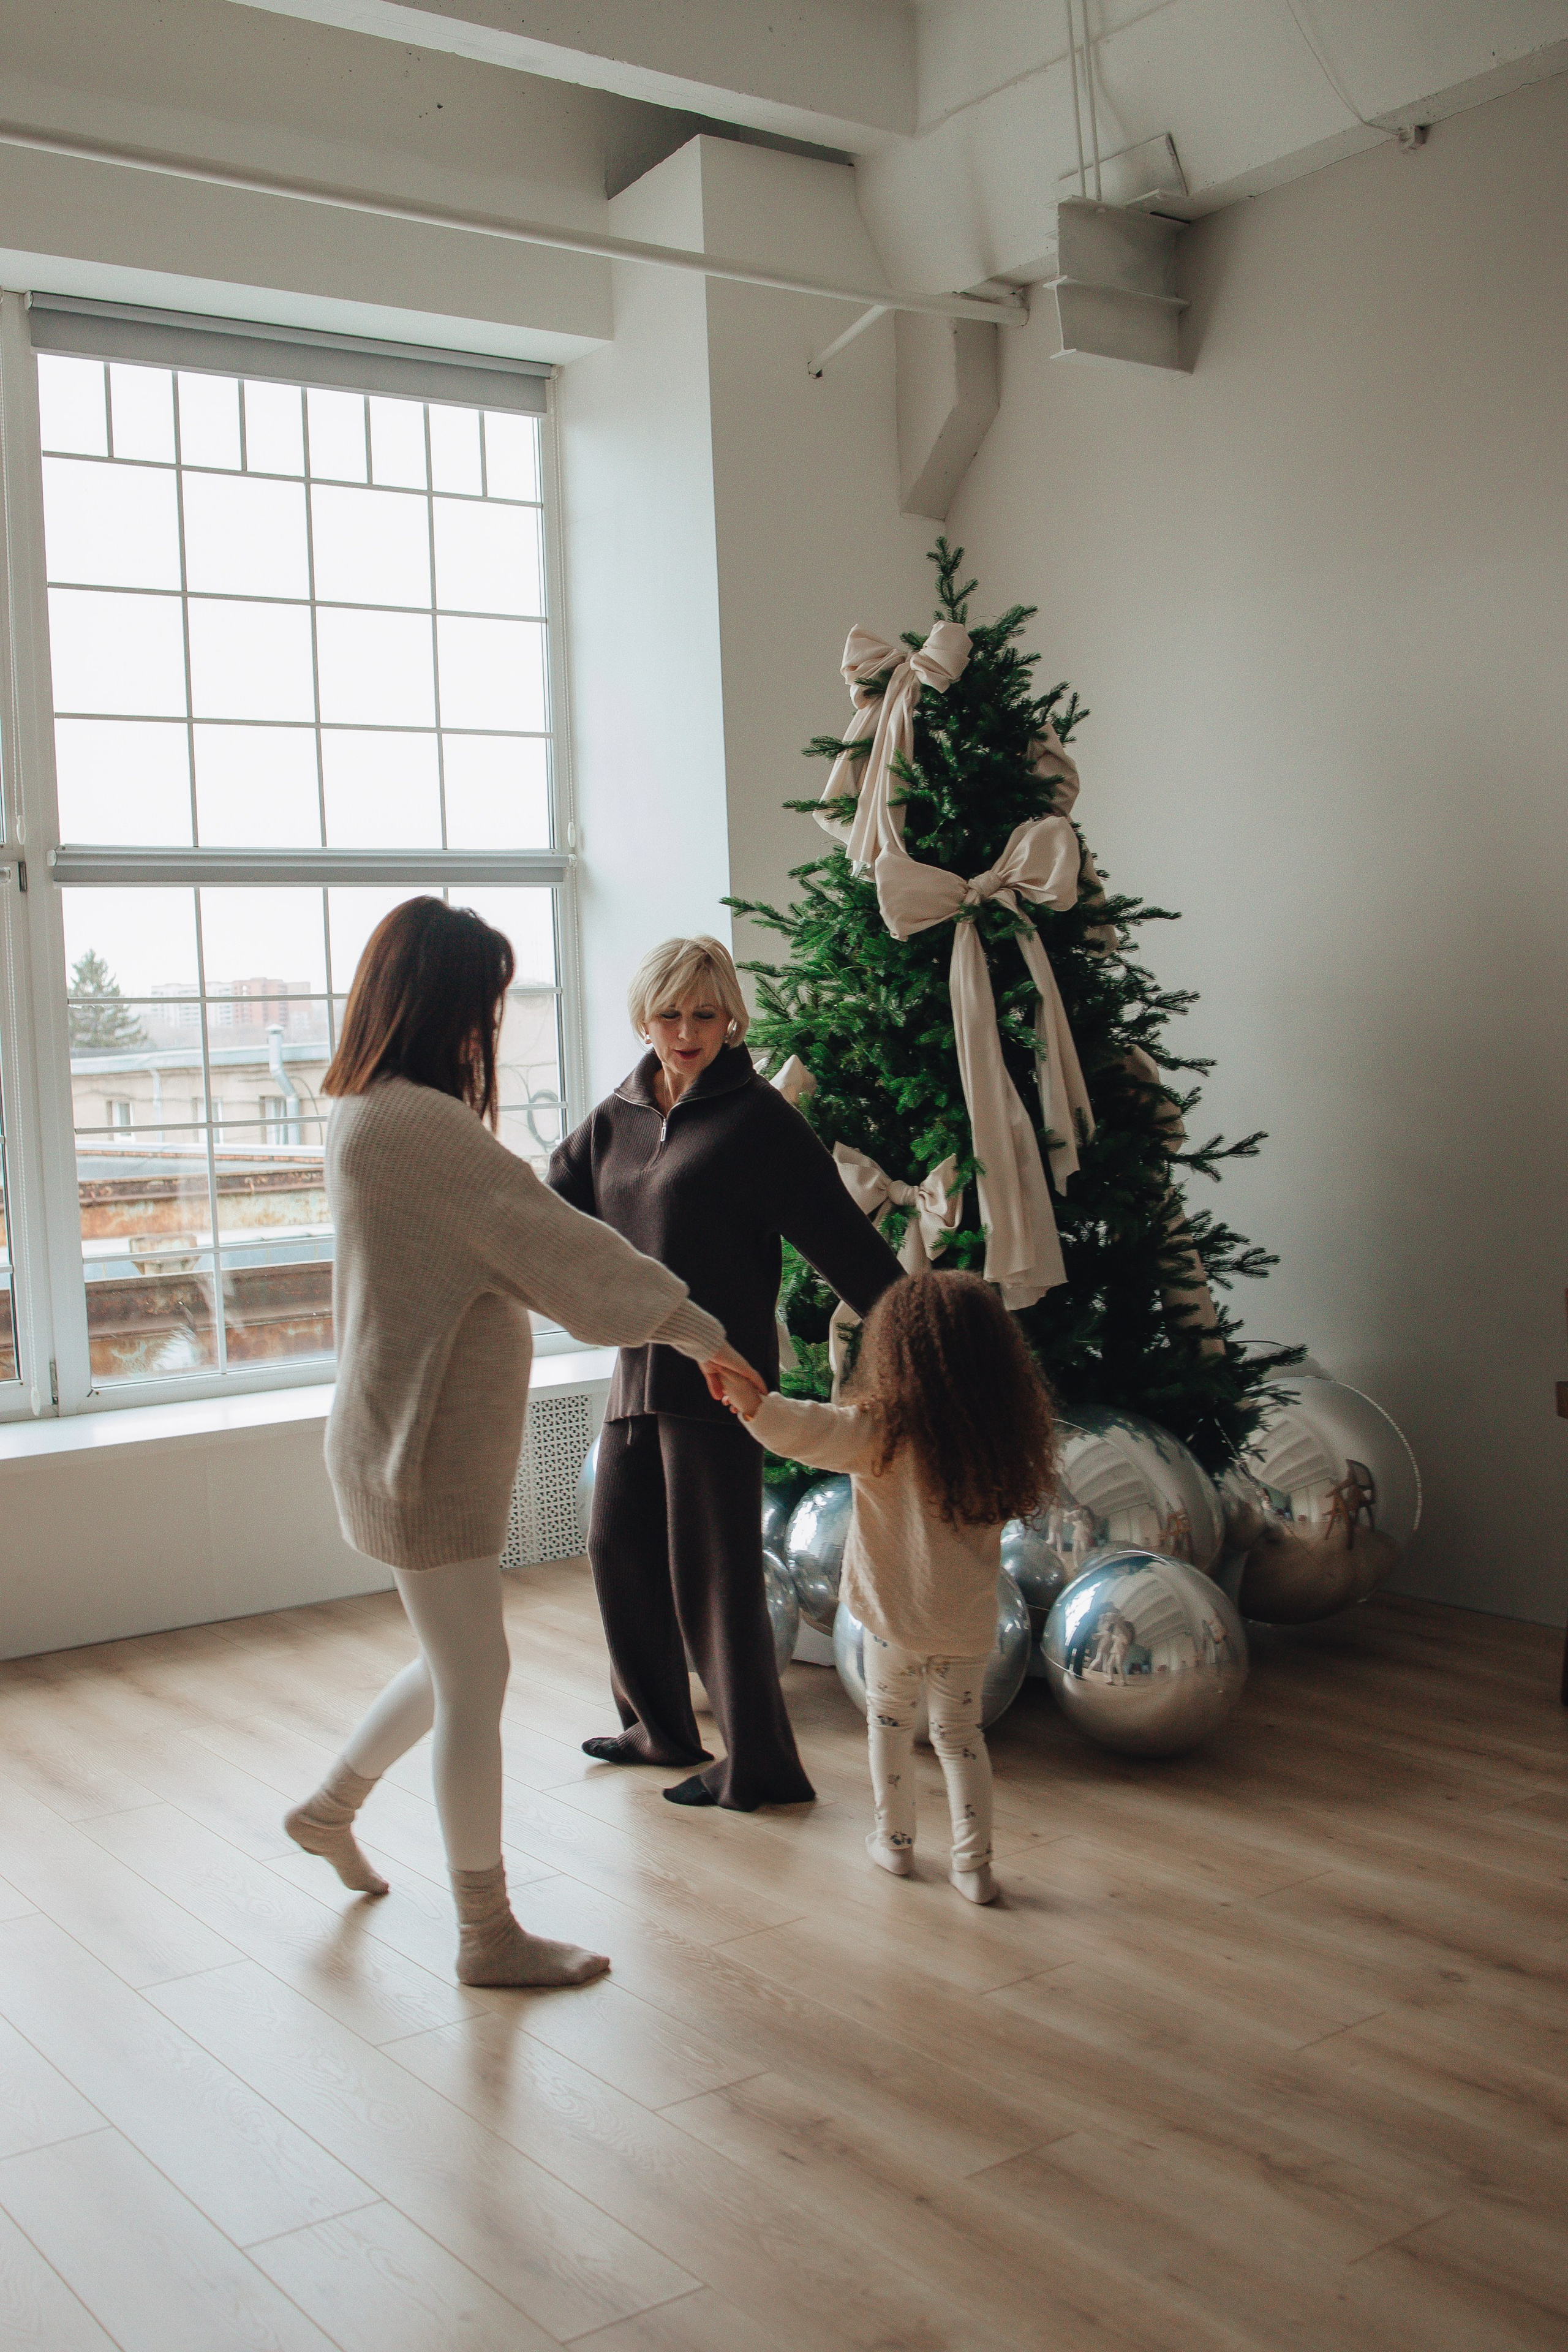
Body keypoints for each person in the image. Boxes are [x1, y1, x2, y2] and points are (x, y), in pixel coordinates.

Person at [283, 898, 756, 1988]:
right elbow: (569, 1257)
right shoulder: (421, 1128)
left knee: (454, 1661)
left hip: (387, 1434)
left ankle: (328, 1809)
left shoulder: (361, 1107)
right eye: (484, 1003)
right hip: (422, 1451)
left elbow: (520, 1239)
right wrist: (700, 1331)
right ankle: (485, 1934)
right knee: (475, 1677)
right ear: (442, 1003)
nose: (487, 1025)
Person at [548, 935, 902, 1811]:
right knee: (617, 1549)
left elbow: (843, 1241)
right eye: (670, 1013)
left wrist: (922, 1335)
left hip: (720, 1375)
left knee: (716, 1576)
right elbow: (548, 1205)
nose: (687, 1031)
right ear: (644, 1016)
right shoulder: (618, 1114)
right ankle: (658, 1727)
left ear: (730, 1017)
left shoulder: (756, 1121)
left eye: (706, 1014)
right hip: (637, 1368)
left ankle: (762, 1768)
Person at [717, 1268, 1057, 1901]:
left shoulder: (881, 1433)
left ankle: (895, 1845)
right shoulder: (999, 1442)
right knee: (960, 1741)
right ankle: (974, 1865)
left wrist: (749, 1402)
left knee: (889, 1724)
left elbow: (803, 1429)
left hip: (890, 1619)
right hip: (963, 1624)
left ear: (894, 1351)